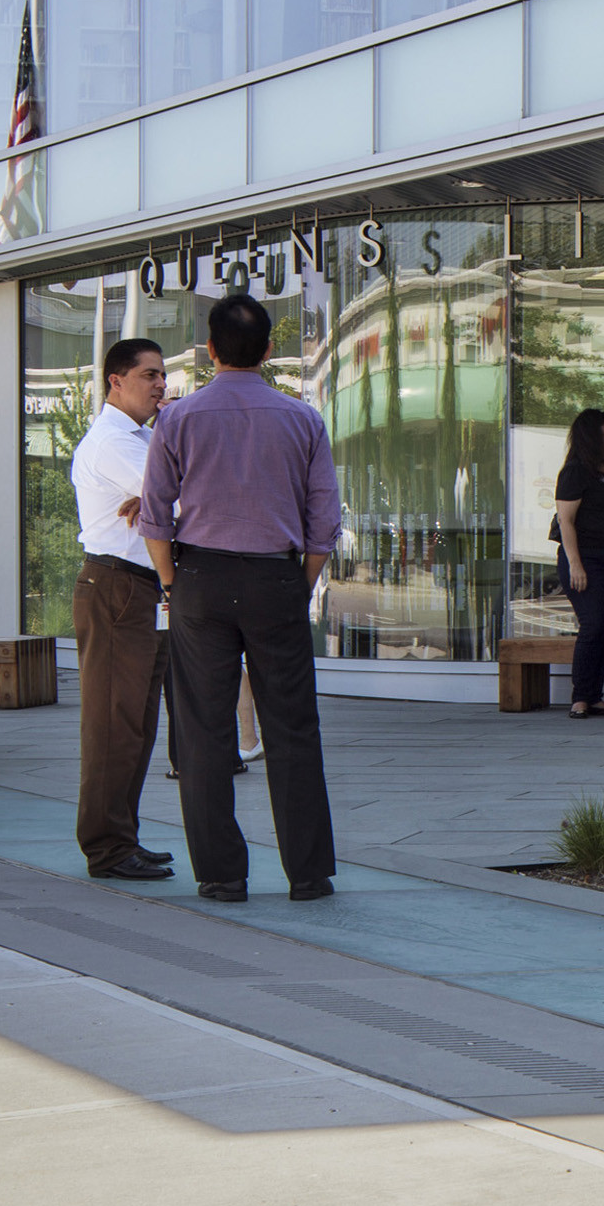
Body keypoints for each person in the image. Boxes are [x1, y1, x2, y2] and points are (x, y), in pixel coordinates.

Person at [138, 291, 340, 904]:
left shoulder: (178, 418)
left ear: (209, 348)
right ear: (270, 351)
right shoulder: (302, 418)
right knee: (293, 727)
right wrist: (299, 582)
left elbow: (153, 517)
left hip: (200, 578)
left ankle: (222, 874)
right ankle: (308, 873)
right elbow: (323, 518)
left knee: (203, 728)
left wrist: (173, 583)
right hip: (277, 577)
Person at [69, 336, 177, 883]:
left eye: (162, 376)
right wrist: (164, 496)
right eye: (150, 375)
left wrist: (163, 496)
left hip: (138, 589)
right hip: (118, 586)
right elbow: (182, 500)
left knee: (135, 723)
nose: (161, 385)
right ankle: (108, 847)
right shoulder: (114, 440)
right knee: (115, 723)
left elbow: (172, 495)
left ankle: (122, 836)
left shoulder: (144, 438)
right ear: (116, 381)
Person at [552, 407, 604, 718]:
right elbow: (566, 521)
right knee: (593, 623)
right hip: (587, 560)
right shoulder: (575, 472)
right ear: (590, 438)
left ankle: (595, 695)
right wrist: (576, 564)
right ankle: (580, 697)